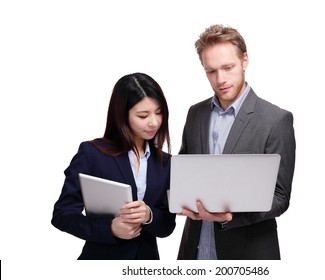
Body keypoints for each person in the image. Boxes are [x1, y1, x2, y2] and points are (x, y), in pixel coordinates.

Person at [177, 24, 296, 260]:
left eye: (228, 67)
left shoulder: (276, 120)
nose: (220, 79)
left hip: (248, 254)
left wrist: (230, 216)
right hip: (195, 249)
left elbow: (280, 198)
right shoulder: (195, 114)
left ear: (244, 60)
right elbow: (183, 173)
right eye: (211, 71)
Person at [51, 72, 176, 260]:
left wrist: (149, 215)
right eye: (143, 115)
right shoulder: (92, 154)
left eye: (159, 113)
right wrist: (110, 229)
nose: (154, 122)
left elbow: (167, 226)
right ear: (122, 115)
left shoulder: (165, 162)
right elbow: (63, 215)